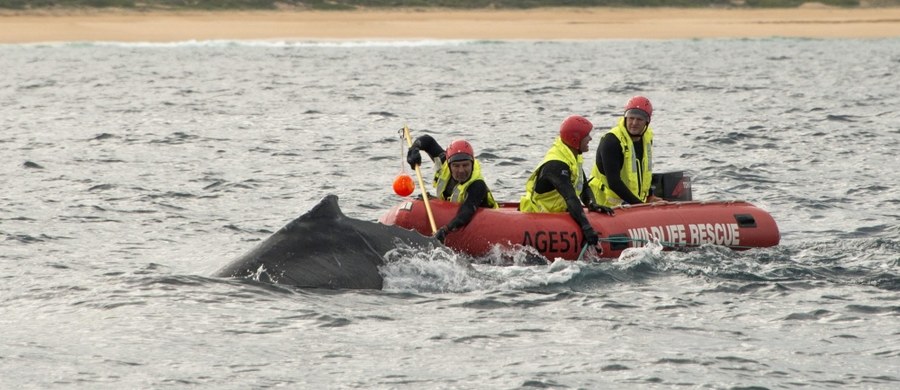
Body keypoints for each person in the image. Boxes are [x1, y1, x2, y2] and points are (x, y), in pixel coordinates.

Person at [519, 115, 614, 249]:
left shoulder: (573, 154)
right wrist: (586, 227)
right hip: (540, 216)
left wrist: (592, 204)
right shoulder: (556, 165)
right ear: (576, 139)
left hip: (557, 213)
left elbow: (583, 185)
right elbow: (570, 197)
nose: (590, 139)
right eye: (587, 135)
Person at [407, 135, 498, 243]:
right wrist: (414, 148)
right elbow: (428, 141)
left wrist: (445, 230)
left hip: (485, 220)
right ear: (449, 165)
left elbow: (466, 212)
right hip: (456, 211)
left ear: (472, 164)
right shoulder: (444, 162)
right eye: (456, 166)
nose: (461, 170)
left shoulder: (477, 185)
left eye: (465, 165)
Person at [589, 96, 663, 207]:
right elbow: (614, 182)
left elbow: (644, 174)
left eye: (639, 119)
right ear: (625, 118)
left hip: (630, 204)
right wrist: (640, 206)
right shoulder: (611, 141)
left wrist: (649, 197)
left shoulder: (647, 138)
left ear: (647, 122)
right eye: (631, 118)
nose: (634, 123)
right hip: (605, 204)